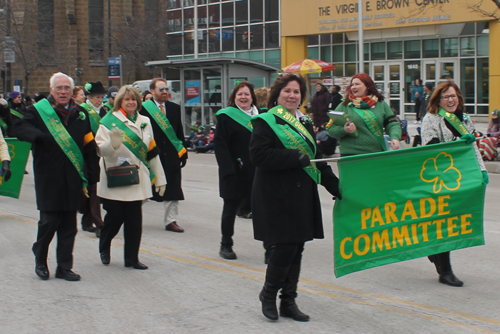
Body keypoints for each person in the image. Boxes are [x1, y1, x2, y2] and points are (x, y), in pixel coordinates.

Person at [250, 74, 341, 322]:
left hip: (301, 193)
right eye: (288, 91)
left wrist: (337, 188)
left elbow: (316, 159)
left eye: (297, 92)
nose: (293, 96)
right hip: (276, 194)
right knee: (285, 246)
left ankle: (288, 301)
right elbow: (258, 156)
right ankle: (268, 294)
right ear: (278, 95)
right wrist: (292, 157)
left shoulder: (303, 122)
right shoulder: (265, 121)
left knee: (297, 246)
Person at [16, 72, 99, 281]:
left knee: (69, 226)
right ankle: (40, 257)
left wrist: (92, 173)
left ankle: (64, 267)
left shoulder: (81, 113)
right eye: (59, 88)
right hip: (49, 176)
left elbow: (89, 146)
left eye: (67, 88)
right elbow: (19, 127)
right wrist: (37, 136)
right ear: (51, 89)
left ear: (72, 91)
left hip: (73, 177)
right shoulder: (37, 111)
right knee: (49, 222)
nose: (63, 92)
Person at [421, 81, 488, 287]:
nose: (451, 100)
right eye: (446, 97)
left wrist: (482, 170)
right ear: (438, 100)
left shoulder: (465, 119)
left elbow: (472, 147)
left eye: (454, 96)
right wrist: (458, 143)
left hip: (461, 176)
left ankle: (434, 252)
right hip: (440, 178)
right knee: (443, 225)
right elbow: (431, 148)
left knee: (452, 223)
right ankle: (445, 270)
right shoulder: (431, 119)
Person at [95, 85, 166, 270]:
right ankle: (104, 244)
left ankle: (132, 258)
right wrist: (113, 144)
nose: (130, 102)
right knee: (114, 219)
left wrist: (160, 177)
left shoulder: (145, 121)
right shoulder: (108, 121)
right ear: (120, 101)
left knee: (135, 221)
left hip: (137, 178)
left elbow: (152, 151)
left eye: (133, 99)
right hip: (117, 177)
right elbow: (100, 150)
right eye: (127, 99)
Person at [213, 81, 259, 260]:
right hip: (234, 172)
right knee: (230, 210)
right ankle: (226, 244)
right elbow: (220, 146)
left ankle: (269, 248)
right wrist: (228, 170)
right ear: (234, 97)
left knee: (263, 211)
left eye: (247, 94)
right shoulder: (226, 117)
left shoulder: (261, 116)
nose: (243, 97)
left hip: (257, 172)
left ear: (252, 97)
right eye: (240, 94)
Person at [140, 78, 187, 233]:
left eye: (166, 89)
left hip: (172, 155)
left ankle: (171, 221)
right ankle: (130, 216)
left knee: (173, 188)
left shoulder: (174, 108)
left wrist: (183, 152)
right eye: (161, 89)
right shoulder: (144, 109)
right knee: (145, 188)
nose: (165, 92)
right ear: (152, 91)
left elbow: (179, 131)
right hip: (152, 154)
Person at [326, 73, 401, 155]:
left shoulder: (380, 104)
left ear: (367, 86)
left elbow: (392, 124)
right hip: (351, 155)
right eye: (352, 84)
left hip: (376, 154)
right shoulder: (344, 105)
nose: (353, 87)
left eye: (357, 84)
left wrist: (395, 138)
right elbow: (330, 129)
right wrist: (345, 130)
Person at [79, 82, 106, 236]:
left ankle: (87, 221)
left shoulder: (104, 111)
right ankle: (99, 223)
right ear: (89, 97)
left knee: (94, 188)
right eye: (97, 97)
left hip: (101, 152)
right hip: (89, 153)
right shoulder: (82, 111)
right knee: (94, 187)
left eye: (102, 97)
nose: (100, 100)